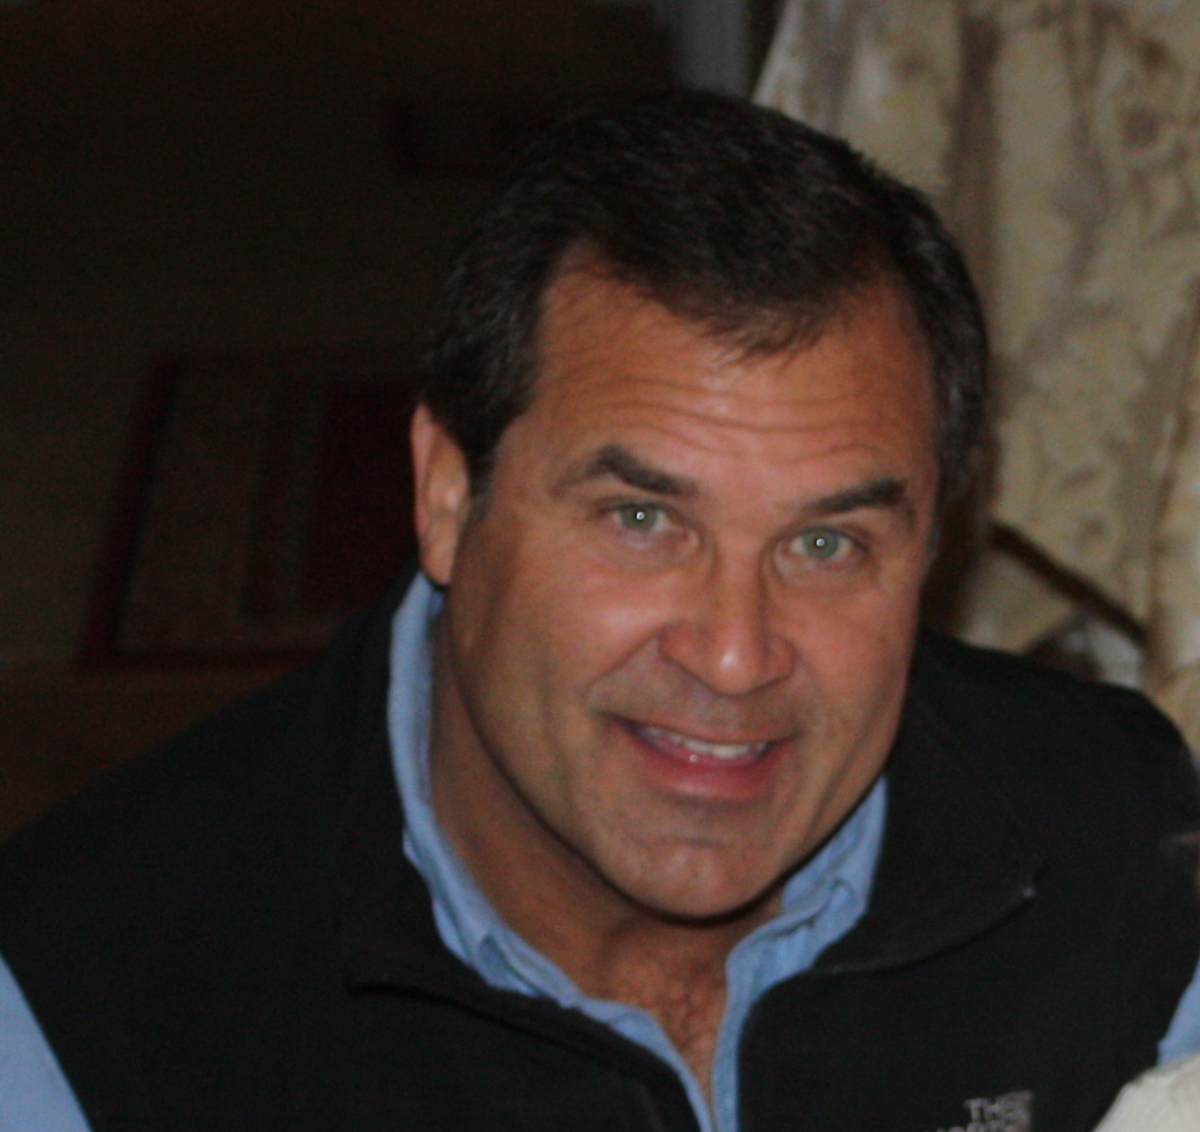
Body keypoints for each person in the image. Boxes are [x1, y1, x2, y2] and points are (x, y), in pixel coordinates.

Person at [2, 90, 1199, 1132]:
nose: (733, 655)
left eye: (826, 543)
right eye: (641, 519)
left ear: (932, 546)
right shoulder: (94, 1005)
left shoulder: (1126, 854)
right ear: (447, 493)